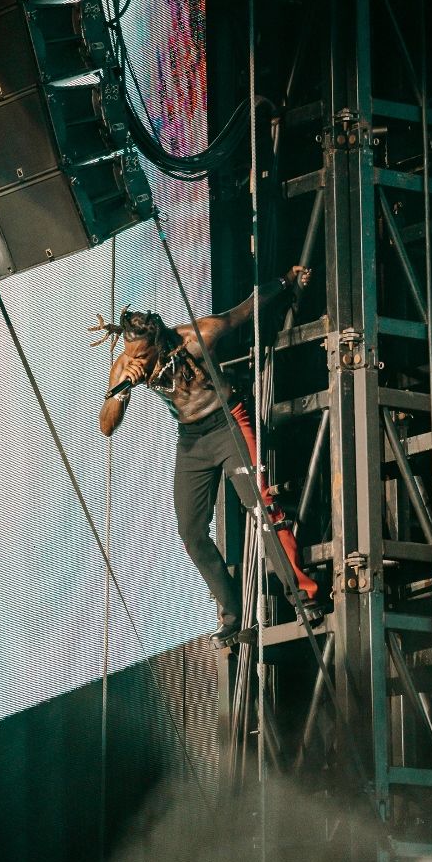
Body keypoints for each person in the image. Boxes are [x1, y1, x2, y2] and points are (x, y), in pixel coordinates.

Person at [91, 266, 320, 648]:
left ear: (158, 343)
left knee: (261, 506)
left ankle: (303, 596)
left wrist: (286, 282)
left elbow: (244, 310)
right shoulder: (125, 367)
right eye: (130, 355)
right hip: (192, 440)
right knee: (191, 532)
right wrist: (123, 389)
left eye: (142, 355)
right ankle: (231, 615)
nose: (136, 362)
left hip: (228, 423)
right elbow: (106, 426)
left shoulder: (196, 338)